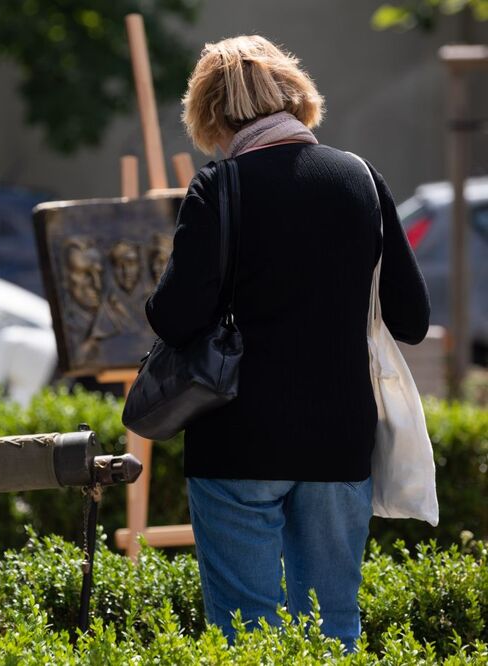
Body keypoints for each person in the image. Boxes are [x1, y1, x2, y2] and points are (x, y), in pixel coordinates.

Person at [146, 36, 429, 648]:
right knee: (334, 632)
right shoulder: (360, 179)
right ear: (295, 96)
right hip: (339, 441)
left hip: (237, 439)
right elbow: (410, 319)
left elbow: (173, 319)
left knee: (248, 636)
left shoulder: (218, 188)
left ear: (210, 113)